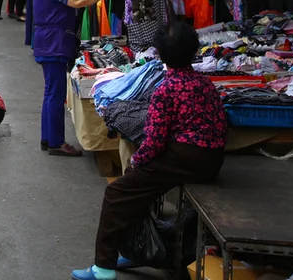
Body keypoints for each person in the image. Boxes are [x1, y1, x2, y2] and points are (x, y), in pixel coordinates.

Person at [71, 22, 226, 280]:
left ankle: (104, 267)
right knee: (135, 185)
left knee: (117, 193)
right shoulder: (204, 83)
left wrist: (137, 160)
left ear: (161, 54)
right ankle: (138, 250)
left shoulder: (166, 89)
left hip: (183, 158)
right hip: (212, 160)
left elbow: (154, 142)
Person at [34, 0, 124, 158]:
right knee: (55, 95)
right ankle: (56, 142)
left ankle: (48, 138)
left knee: (51, 93)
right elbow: (77, 1)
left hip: (49, 43)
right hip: (53, 43)